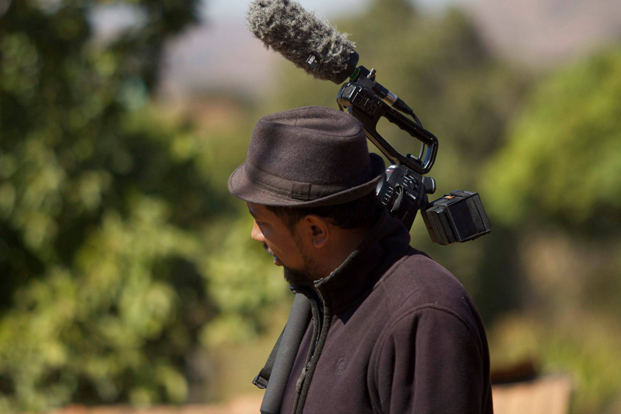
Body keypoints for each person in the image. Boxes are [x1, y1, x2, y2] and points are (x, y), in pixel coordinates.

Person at [228, 106, 493, 414]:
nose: (255, 235)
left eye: (262, 221)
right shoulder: (324, 300)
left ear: (315, 230)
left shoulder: (424, 320)